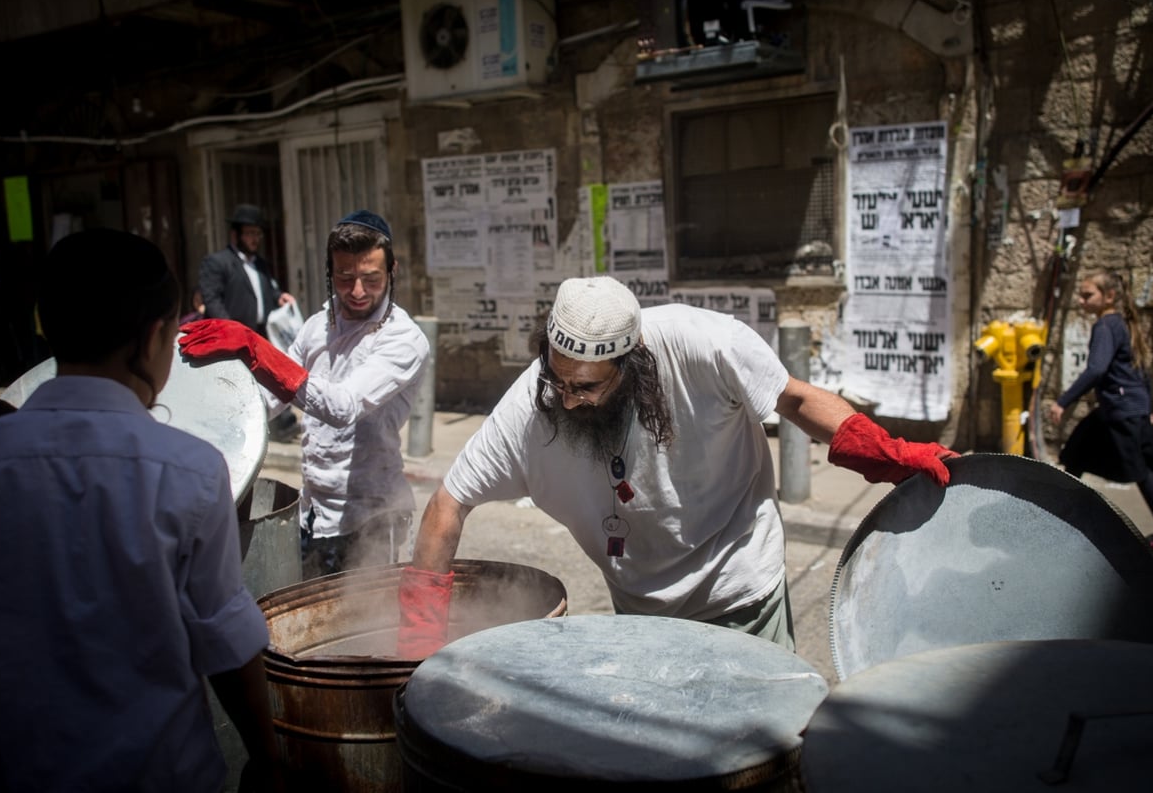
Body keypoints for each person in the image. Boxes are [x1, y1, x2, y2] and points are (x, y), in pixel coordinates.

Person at [396, 275, 957, 658]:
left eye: (586, 388)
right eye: (557, 379)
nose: (566, 400)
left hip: (739, 591)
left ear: (631, 364)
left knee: (760, 753)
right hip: (640, 610)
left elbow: (794, 401)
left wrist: (889, 455)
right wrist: (420, 638)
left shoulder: (704, 345)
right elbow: (449, 503)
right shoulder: (533, 405)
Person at [0, 229, 282, 791]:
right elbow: (222, 637)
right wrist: (267, 759)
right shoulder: (188, 469)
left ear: (48, 325)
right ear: (153, 339)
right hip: (158, 771)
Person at [180, 210, 432, 579]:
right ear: (330, 271)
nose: (358, 291)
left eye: (371, 278)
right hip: (313, 512)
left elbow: (343, 406)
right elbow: (268, 400)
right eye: (345, 277)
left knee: (370, 629)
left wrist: (258, 350)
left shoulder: (404, 339)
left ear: (392, 271)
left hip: (373, 516)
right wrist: (209, 420)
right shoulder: (317, 326)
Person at [1050, 270, 1153, 552]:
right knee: (1077, 456)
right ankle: (1059, 514)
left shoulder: (1106, 326)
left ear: (1108, 296)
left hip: (1120, 410)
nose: (1081, 301)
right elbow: (1140, 370)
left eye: (1088, 295)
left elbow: (1096, 368)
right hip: (1123, 409)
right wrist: (1146, 406)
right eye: (1081, 295)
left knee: (1139, 472)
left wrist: (1063, 401)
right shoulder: (1121, 324)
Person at [198, 203, 299, 440]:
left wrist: (279, 297)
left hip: (258, 337)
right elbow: (212, 301)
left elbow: (267, 292)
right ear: (236, 234)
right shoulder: (218, 263)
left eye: (258, 233)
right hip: (230, 341)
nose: (255, 239)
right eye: (250, 233)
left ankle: (275, 425)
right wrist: (232, 331)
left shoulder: (260, 265)